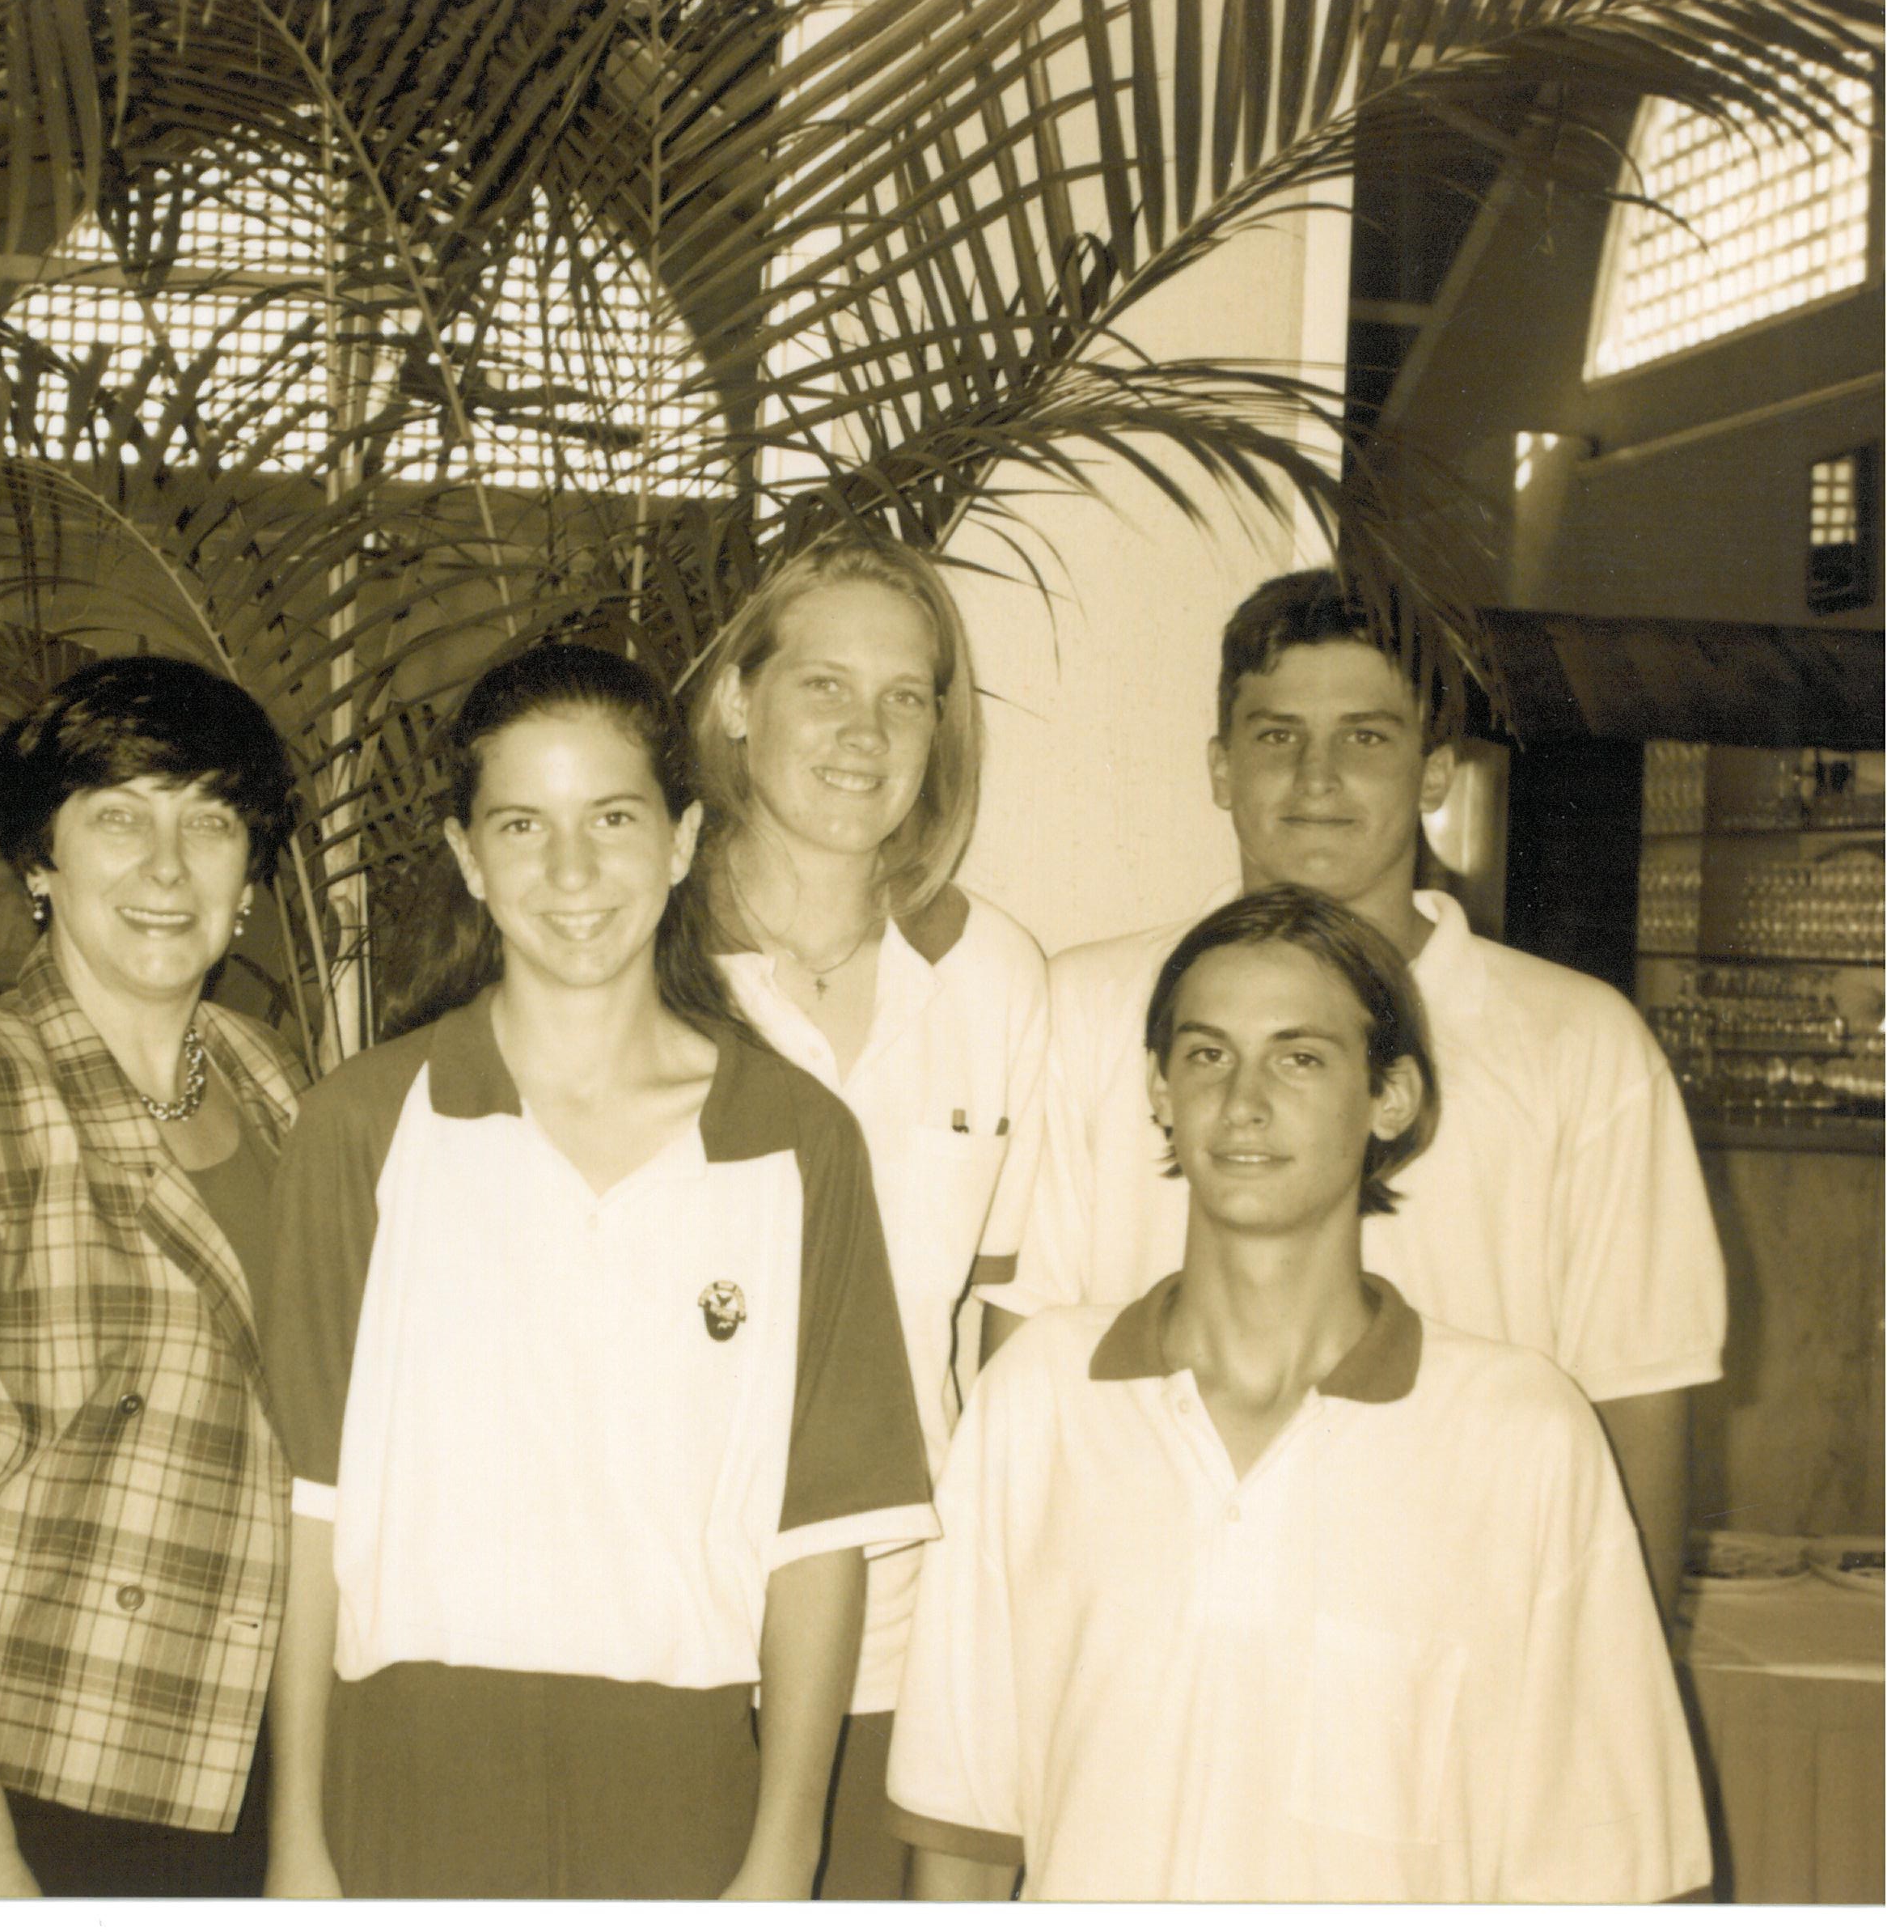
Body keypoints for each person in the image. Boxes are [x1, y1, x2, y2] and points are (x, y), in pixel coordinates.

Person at [259, 641, 935, 1900]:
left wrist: (781, 1857)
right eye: (522, 824)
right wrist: (298, 1841)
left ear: (681, 839)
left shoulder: (793, 1140)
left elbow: (820, 1538)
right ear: (467, 857)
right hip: (403, 1764)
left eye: (612, 818)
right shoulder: (362, 1124)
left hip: (680, 1780)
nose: (571, 872)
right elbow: (306, 1511)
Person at [890, 887, 1711, 1902]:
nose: (1243, 1100)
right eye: (1205, 1054)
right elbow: (963, 1834)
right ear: (1155, 1089)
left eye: (1300, 1056)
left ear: (1391, 1098)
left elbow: (1611, 1867)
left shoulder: (1521, 1435)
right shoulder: (1037, 1405)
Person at [983, 570, 1722, 1616]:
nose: (1317, 777)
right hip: (1142, 1625)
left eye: (1366, 737)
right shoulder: (1085, 1010)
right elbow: (1022, 1364)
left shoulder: (1578, 1043)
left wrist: (1613, 1687)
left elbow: (1638, 1401)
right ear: (1218, 767)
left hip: (1453, 1639)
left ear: (1433, 770)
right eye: (1277, 736)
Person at [0, 655, 308, 1898]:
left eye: (208, 821)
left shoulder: (274, 1078)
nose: (165, 866)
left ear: (249, 872)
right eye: (118, 816)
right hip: (12, 1763)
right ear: (42, 859)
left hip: (227, 1747)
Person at [683, 534, 1048, 1896]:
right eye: (823, 684)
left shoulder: (995, 975)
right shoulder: (638, 954)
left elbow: (1009, 1331)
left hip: (909, 1623)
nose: (864, 731)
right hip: (673, 1614)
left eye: (905, 697)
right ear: (735, 700)